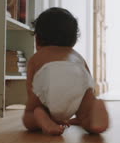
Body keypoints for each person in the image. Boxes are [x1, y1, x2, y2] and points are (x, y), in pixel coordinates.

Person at [22, 7, 109, 135]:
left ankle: (41, 116)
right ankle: (91, 115)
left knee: (30, 116)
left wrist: (34, 106)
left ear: (38, 39)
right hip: (77, 80)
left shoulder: (37, 58)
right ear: (73, 40)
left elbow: (32, 87)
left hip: (49, 81)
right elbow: (89, 84)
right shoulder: (76, 56)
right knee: (86, 107)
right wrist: (88, 102)